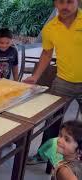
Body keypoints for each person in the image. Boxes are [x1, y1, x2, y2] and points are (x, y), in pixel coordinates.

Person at [24, 0, 82, 164]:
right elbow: (47, 54)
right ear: (55, 3)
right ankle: (45, 155)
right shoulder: (50, 28)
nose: (65, 6)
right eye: (61, 1)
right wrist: (35, 76)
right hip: (63, 82)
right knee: (52, 120)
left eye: (70, 1)